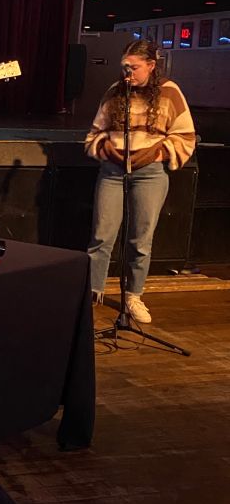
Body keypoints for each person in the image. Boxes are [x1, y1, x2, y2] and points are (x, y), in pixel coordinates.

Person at [85, 39, 196, 324]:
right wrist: (106, 149)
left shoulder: (170, 93)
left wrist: (157, 153)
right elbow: (94, 134)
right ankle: (92, 293)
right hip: (113, 172)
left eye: (133, 67)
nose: (128, 73)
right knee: (101, 236)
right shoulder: (115, 91)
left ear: (151, 65)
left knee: (141, 239)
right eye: (124, 67)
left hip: (149, 175)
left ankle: (133, 296)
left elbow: (185, 136)